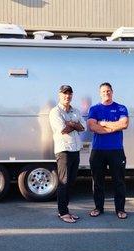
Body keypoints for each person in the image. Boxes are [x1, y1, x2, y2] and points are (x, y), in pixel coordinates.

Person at [86, 82, 129, 219]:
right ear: (100, 93)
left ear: (112, 92)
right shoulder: (94, 109)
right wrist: (113, 128)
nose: (106, 93)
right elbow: (92, 127)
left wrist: (104, 124)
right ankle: (98, 207)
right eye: (103, 91)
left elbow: (124, 124)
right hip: (98, 151)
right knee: (98, 181)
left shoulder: (121, 108)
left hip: (116, 150)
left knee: (119, 181)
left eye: (108, 91)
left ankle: (120, 209)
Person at [49, 85, 85, 223]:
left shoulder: (75, 110)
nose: (67, 96)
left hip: (75, 150)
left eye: (69, 93)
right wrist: (74, 125)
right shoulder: (55, 112)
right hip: (63, 150)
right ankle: (62, 212)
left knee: (71, 182)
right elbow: (63, 129)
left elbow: (83, 127)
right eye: (64, 93)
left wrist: (72, 124)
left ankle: (66, 209)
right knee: (63, 182)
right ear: (59, 95)